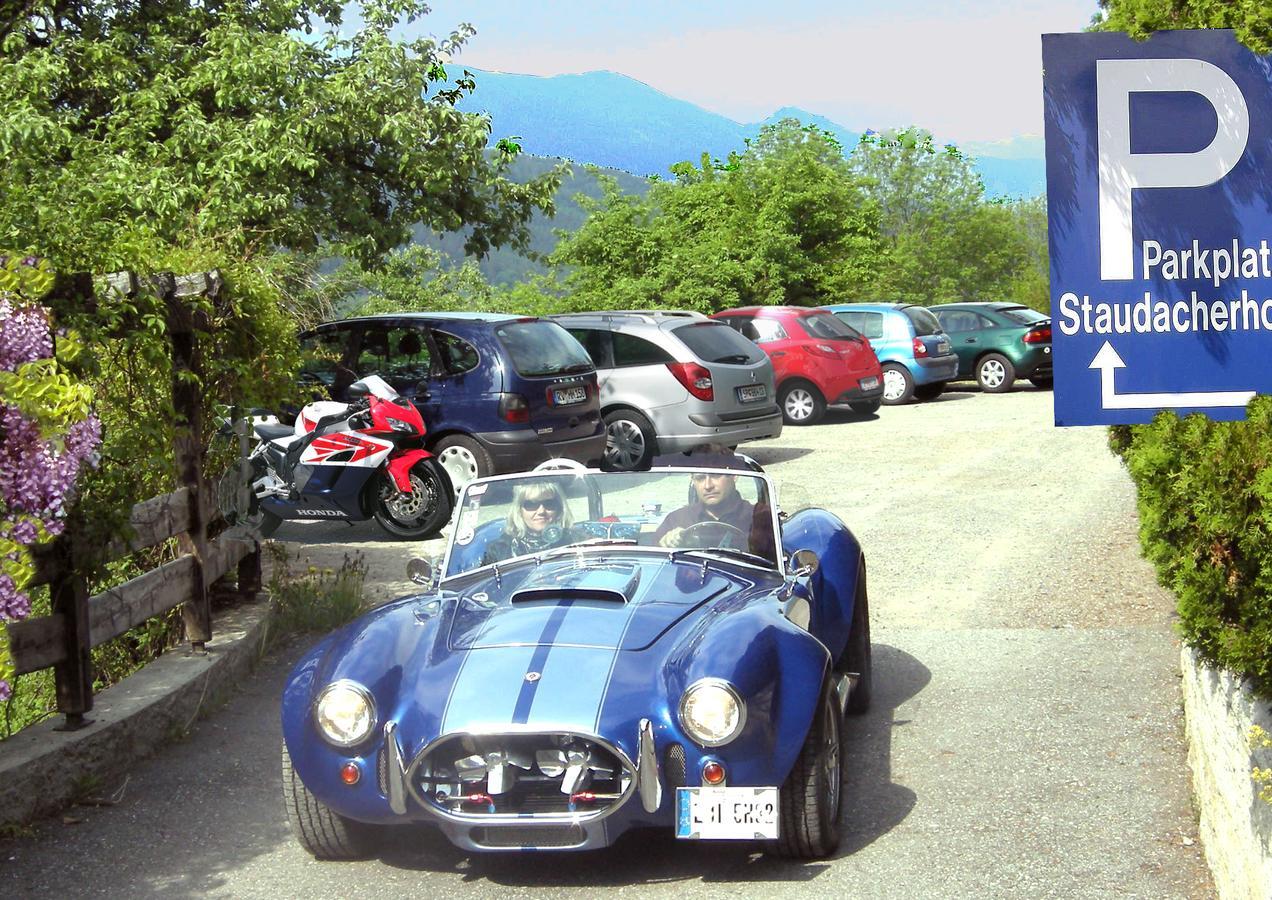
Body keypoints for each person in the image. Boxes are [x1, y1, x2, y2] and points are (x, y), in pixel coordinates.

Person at [481, 481, 582, 565]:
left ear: (559, 509)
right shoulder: (500, 550)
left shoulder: (575, 541)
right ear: (519, 510)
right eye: (531, 504)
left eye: (549, 504)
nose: (541, 511)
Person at [652, 472, 756, 549]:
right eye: (700, 478)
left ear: (734, 476)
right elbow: (653, 566)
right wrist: (666, 543)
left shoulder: (759, 518)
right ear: (693, 481)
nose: (708, 486)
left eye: (715, 476)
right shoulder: (677, 519)